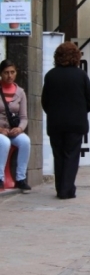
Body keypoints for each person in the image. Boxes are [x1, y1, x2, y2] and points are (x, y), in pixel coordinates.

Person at [41, 42, 90, 199]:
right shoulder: (81, 75)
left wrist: (53, 112)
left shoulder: (50, 75)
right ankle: (67, 189)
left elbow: (45, 101)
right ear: (76, 57)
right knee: (71, 155)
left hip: (55, 123)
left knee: (58, 155)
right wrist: (80, 111)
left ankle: (60, 187)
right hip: (75, 123)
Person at [0, 60, 31, 193]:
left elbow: (24, 117)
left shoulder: (20, 92)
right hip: (0, 131)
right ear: (1, 74)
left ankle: (21, 178)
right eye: (6, 72)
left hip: (13, 130)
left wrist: (19, 129)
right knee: (5, 142)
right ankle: (0, 178)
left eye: (12, 72)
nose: (9, 75)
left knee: (25, 141)